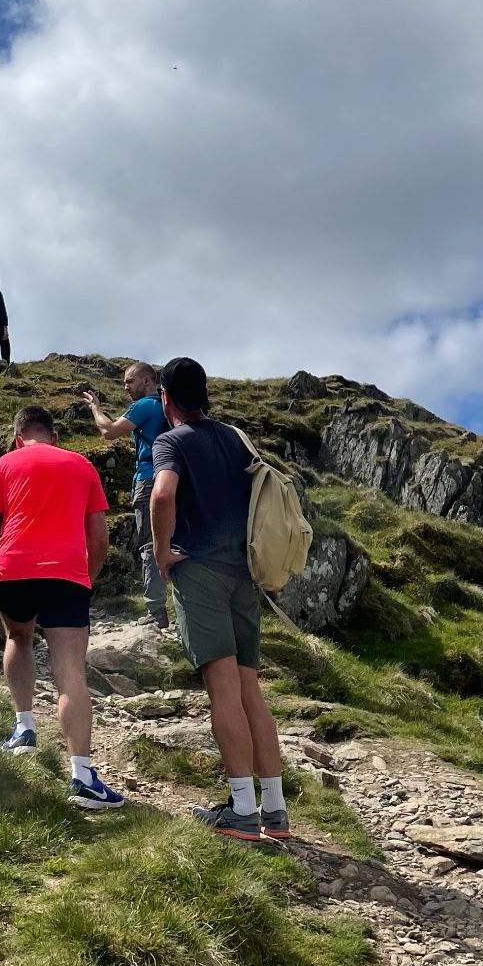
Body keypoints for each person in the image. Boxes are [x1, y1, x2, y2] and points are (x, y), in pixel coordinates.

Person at [149, 356, 289, 843]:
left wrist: (163, 552)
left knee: (223, 691)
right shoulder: (234, 437)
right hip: (243, 575)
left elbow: (162, 495)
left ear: (165, 397)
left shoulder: (171, 441)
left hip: (202, 573)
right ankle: (274, 810)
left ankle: (242, 812)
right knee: (251, 690)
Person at [0, 407, 123, 810]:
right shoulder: (81, 465)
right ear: (54, 435)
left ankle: (24, 729)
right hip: (67, 575)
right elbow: (100, 537)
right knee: (69, 669)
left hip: (14, 570)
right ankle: (83, 776)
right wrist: (85, 577)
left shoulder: (4, 464)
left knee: (17, 638)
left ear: (19, 436)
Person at [83, 361, 168, 629]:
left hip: (148, 479)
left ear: (146, 380)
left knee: (149, 543)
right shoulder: (169, 406)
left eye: (130, 381)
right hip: (172, 478)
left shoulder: (146, 405)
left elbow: (109, 432)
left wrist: (96, 408)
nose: (125, 387)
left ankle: (156, 612)